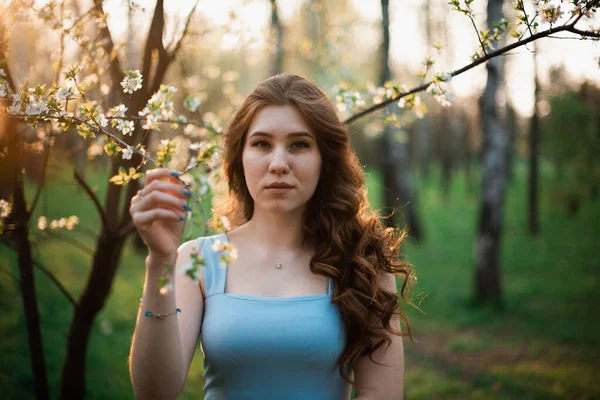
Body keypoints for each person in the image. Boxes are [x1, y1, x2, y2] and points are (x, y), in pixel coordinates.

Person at [128, 73, 414, 400]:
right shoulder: (197, 261)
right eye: (262, 144)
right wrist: (161, 261)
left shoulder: (363, 262)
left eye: (299, 145)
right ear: (240, 157)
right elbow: (154, 392)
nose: (278, 164)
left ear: (325, 160)